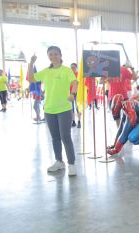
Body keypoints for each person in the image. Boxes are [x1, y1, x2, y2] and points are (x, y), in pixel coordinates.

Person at [28, 46, 79, 176]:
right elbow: (32, 79)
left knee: (65, 136)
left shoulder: (66, 70)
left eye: (56, 54)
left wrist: (73, 94)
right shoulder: (46, 71)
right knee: (55, 138)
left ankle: (71, 164)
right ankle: (59, 162)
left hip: (64, 109)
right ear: (48, 56)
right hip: (49, 109)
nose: (53, 56)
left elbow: (75, 82)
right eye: (51, 54)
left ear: (60, 55)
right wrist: (31, 63)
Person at [70, 63, 81, 128]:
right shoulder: (69, 75)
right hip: (70, 93)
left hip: (77, 93)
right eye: (71, 67)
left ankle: (79, 121)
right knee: (71, 108)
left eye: (73, 67)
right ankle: (73, 121)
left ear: (76, 68)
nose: (72, 69)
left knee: (78, 108)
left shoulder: (78, 75)